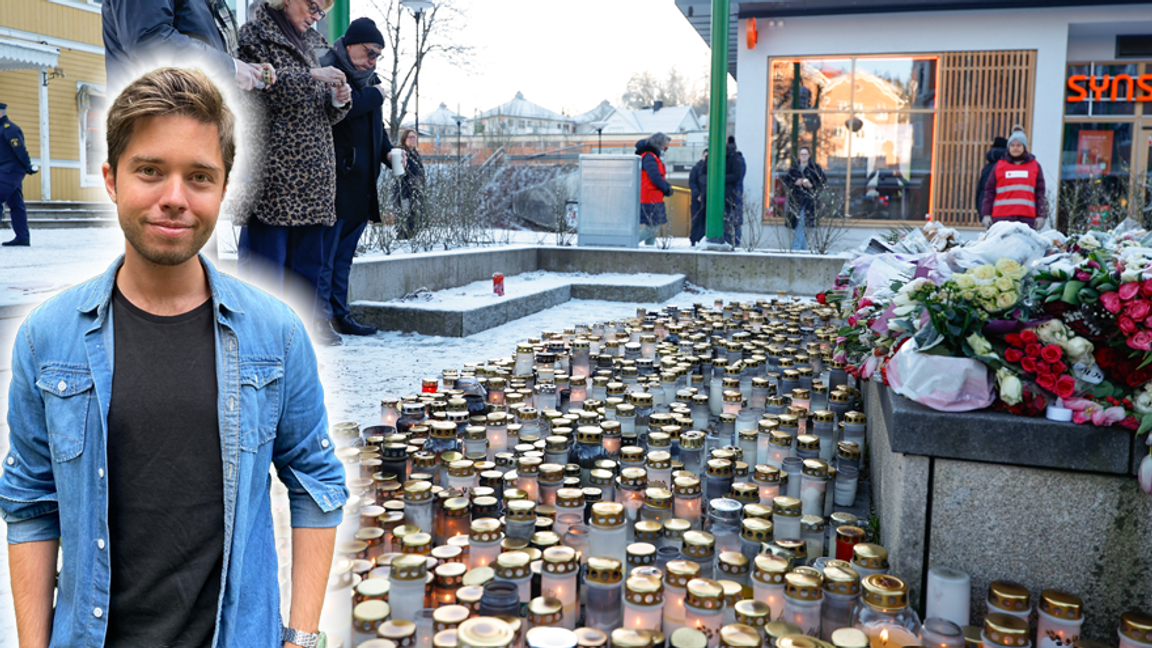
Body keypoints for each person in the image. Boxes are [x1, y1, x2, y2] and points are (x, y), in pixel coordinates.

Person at [0, 68, 347, 648]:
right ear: (111, 179)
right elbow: (32, 505)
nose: (175, 199)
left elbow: (316, 482)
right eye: (150, 170)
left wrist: (302, 636)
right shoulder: (47, 339)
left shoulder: (276, 334)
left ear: (223, 187)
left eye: (200, 177)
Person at [237, 0, 351, 346]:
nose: (317, 17)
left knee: (306, 273)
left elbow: (320, 112)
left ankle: (294, 346)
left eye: (323, 13)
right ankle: (258, 344)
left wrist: (337, 101)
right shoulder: (254, 34)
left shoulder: (311, 44)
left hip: (314, 180)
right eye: (314, 7)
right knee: (266, 273)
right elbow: (260, 86)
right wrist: (314, 75)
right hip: (275, 177)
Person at [318, 17, 392, 336]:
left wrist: (388, 152)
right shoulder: (331, 67)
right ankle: (319, 317)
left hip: (361, 183)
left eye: (378, 54)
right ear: (350, 45)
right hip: (335, 180)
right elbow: (341, 108)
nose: (373, 60)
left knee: (344, 256)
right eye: (369, 51)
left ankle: (339, 314)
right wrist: (376, 95)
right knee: (325, 254)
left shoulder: (369, 79)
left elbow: (378, 126)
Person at [102, 0, 273, 92]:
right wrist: (230, 68)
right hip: (158, 125)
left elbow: (200, 45)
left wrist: (245, 70)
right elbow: (149, 41)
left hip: (194, 124)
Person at [981, 126, 1048, 230]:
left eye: (1019, 145)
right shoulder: (999, 166)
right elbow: (989, 191)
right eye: (1012, 145)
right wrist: (986, 214)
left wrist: (1041, 215)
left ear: (1024, 147)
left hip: (1027, 218)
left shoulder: (1034, 166)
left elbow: (1040, 193)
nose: (1015, 148)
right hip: (1001, 218)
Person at [0, 104, 38, 247]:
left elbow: (20, 150)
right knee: (16, 204)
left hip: (11, 171)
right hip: (6, 171)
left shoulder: (9, 129)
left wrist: (28, 167)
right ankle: (22, 237)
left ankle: (22, 236)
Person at [784, 145, 826, 251]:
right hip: (796, 201)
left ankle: (796, 248)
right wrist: (795, 182)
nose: (803, 156)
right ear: (799, 155)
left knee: (803, 224)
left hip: (809, 201)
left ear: (809, 155)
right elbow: (786, 182)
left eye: (805, 154)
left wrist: (812, 185)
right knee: (801, 225)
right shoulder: (794, 168)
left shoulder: (815, 168)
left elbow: (823, 182)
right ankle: (801, 249)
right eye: (801, 154)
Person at [635, 132, 672, 246]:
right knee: (651, 229)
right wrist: (666, 188)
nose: (667, 148)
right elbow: (655, 177)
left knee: (651, 229)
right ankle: (629, 244)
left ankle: (648, 251)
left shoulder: (650, 156)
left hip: (652, 196)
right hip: (650, 197)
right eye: (666, 146)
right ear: (660, 144)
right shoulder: (649, 157)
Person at [394, 128, 426, 239]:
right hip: (405, 192)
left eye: (414, 137)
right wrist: (404, 194)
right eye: (410, 137)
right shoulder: (401, 153)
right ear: (404, 139)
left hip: (416, 192)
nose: (413, 139)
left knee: (417, 218)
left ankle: (412, 237)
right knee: (406, 218)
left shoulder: (415, 154)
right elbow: (399, 177)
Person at [975, 135, 1008, 215]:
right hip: (1001, 208)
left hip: (984, 204)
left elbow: (980, 188)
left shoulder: (987, 167)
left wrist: (979, 207)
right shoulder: (1006, 167)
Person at [724, 136, 746, 247]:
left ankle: (731, 243)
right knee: (736, 222)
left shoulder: (731, 159)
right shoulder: (740, 159)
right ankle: (736, 244)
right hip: (737, 194)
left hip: (730, 193)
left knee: (729, 221)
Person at [688, 147, 707, 246]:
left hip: (706, 199)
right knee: (696, 220)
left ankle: (702, 238)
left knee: (704, 220)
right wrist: (697, 194)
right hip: (697, 200)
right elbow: (692, 183)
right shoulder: (696, 168)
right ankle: (694, 239)